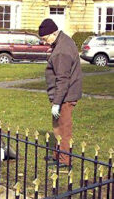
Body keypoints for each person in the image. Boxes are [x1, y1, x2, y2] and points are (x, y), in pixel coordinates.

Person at [38, 19, 82, 167]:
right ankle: (58, 156)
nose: (45, 42)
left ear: (54, 33)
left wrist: (57, 103)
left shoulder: (61, 51)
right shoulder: (62, 42)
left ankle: (65, 160)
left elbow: (62, 80)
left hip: (65, 96)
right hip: (62, 95)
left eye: (45, 39)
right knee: (58, 127)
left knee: (63, 128)